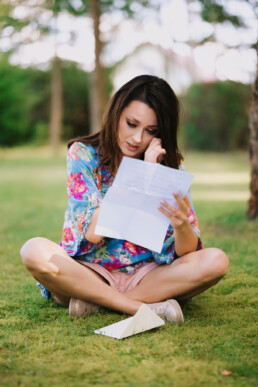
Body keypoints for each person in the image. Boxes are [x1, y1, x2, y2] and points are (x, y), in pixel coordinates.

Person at [20, 75, 229, 324]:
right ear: (116, 114)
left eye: (150, 131)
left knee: (217, 260)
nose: (138, 138)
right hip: (90, 272)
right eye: (131, 124)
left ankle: (96, 303)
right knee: (33, 250)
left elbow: (186, 251)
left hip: (148, 276)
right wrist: (142, 177)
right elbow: (93, 231)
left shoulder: (170, 163)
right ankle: (138, 308)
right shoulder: (84, 154)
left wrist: (181, 224)